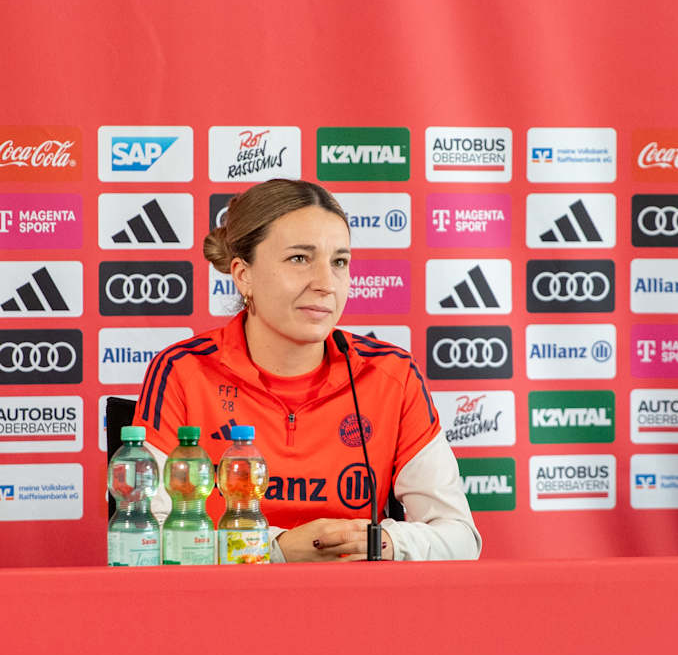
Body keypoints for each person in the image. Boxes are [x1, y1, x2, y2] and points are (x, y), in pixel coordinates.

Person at [133, 179, 481, 561]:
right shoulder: (184, 370)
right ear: (242, 273)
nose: (325, 284)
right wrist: (277, 550)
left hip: (357, 609)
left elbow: (460, 536)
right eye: (299, 259)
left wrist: (385, 542)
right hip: (224, 608)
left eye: (339, 262)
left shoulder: (391, 375)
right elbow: (145, 536)